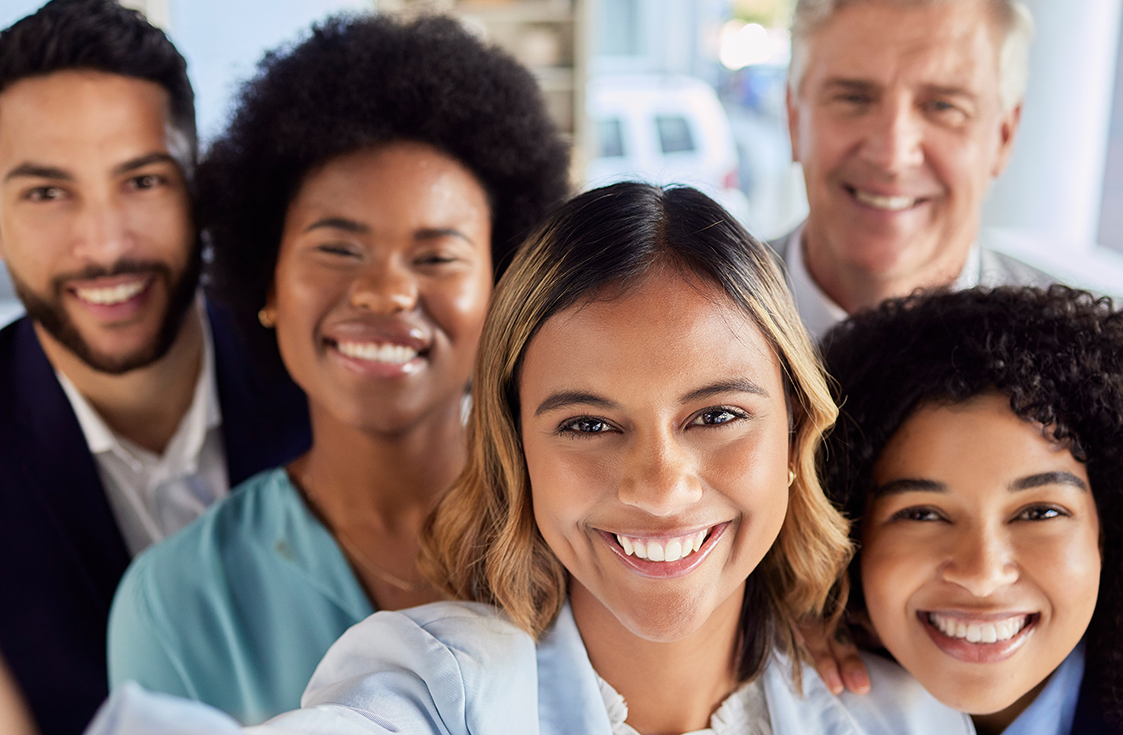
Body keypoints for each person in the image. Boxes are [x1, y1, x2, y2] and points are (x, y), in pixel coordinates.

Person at [89, 182, 967, 735]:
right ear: (517, 453)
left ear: (795, 434)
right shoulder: (431, 685)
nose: (661, 484)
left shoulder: (908, 713)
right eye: (587, 425)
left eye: (717, 415)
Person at [106, 13, 570, 724]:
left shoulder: (582, 528)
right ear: (267, 283)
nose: (385, 292)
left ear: (503, 292)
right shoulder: (178, 600)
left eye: (437, 256)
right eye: (338, 249)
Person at [0, 0, 310, 734]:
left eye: (143, 181)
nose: (105, 245)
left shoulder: (317, 373)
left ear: (201, 187)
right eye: (46, 192)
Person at [819, 286, 1123, 734]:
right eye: (922, 514)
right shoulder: (777, 690)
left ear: (1113, 533)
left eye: (1040, 513)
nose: (983, 575)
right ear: (849, 530)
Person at [770, 0, 1051, 340]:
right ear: (794, 120)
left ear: (1003, 137)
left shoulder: (1084, 357)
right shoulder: (700, 317)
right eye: (853, 98)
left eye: (942, 106)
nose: (891, 156)